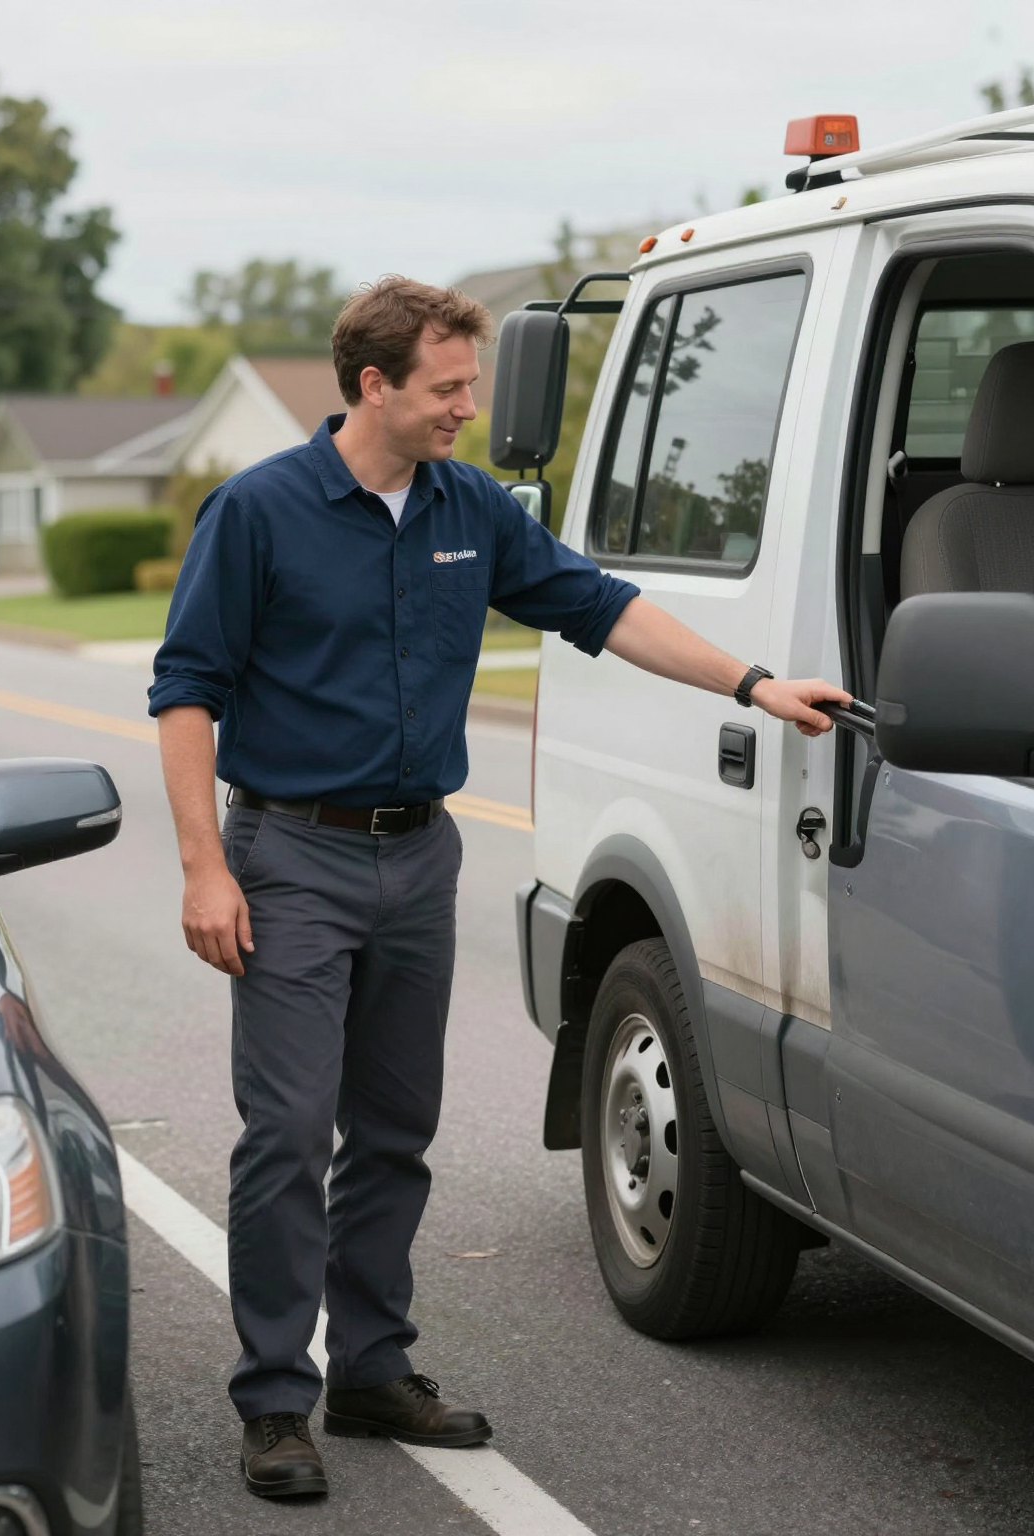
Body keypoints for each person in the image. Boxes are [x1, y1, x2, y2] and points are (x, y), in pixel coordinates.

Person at [149, 276, 849, 1500]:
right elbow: (186, 691)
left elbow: (603, 609)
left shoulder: (468, 507)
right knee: (288, 1136)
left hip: (420, 857)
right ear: (375, 385)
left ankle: (372, 1368)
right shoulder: (257, 511)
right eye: (448, 388)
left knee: (395, 1131)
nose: (468, 407)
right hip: (293, 858)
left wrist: (754, 685)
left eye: (470, 385)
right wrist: (206, 868)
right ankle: (275, 1400)